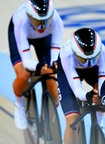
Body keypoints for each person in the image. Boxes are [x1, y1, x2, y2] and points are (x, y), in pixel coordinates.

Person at [8, 0, 64, 129]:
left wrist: (53, 65)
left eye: (45, 21)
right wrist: (39, 67)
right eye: (38, 21)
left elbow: (56, 51)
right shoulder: (21, 21)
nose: (42, 26)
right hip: (21, 37)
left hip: (43, 40)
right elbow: (26, 60)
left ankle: (54, 116)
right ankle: (19, 105)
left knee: (51, 77)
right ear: (30, 16)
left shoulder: (56, 20)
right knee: (23, 74)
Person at [57, 27, 105, 144]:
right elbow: (76, 90)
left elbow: (103, 84)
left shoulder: (103, 53)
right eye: (83, 59)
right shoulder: (67, 54)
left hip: (93, 72)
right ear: (76, 53)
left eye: (92, 58)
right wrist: (88, 95)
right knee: (72, 122)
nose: (88, 63)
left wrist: (97, 94)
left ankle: (100, 125)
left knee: (102, 94)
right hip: (69, 74)